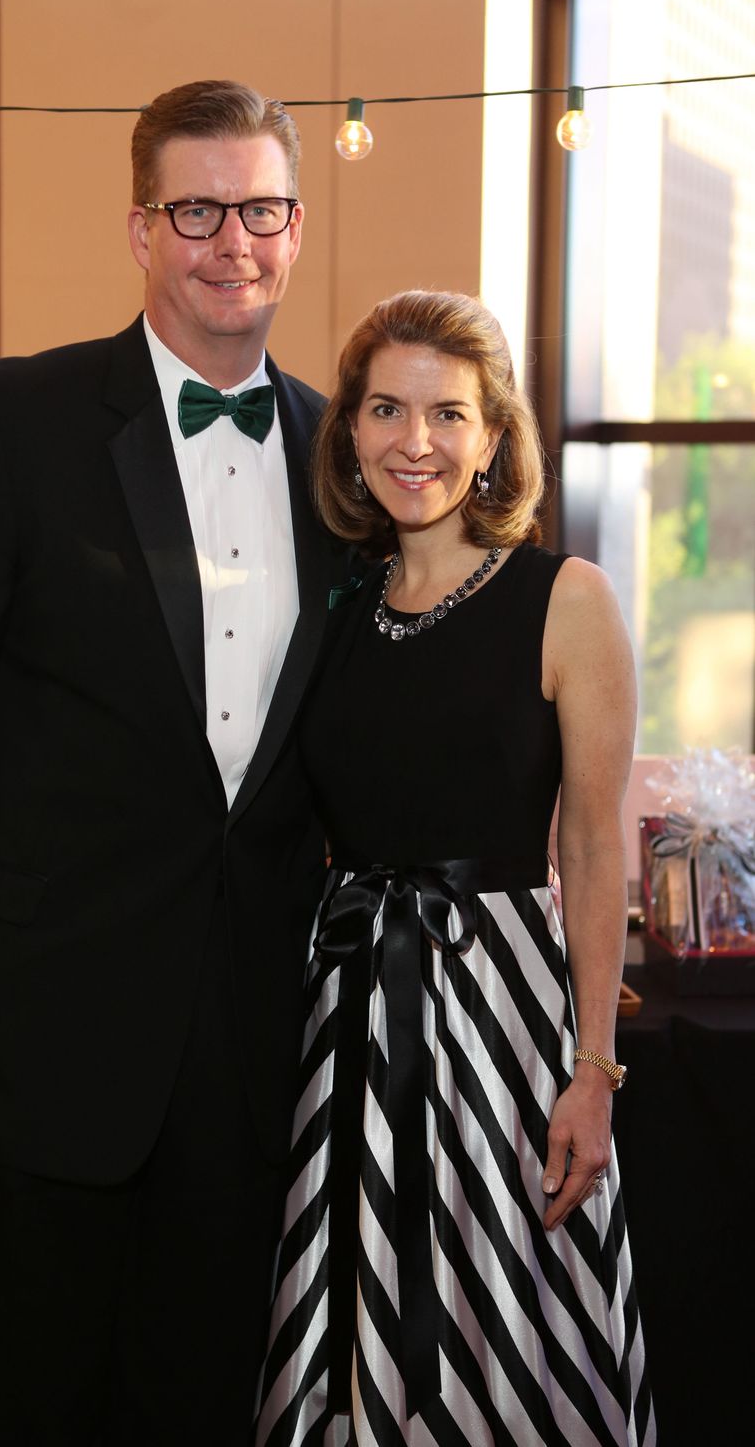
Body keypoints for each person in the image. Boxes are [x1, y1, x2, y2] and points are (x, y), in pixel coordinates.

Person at [0, 79, 348, 1445]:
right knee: (25, 1397)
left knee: (202, 1400)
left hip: (251, 1040)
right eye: (197, 211)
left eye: (260, 210)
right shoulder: (7, 419)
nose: (231, 242)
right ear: (140, 229)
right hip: (32, 1030)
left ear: (296, 228)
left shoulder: (342, 454)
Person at [255, 291, 655, 1446]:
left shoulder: (563, 598)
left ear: (491, 438)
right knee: (352, 1306)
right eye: (385, 408)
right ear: (349, 431)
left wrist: (593, 1069)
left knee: (510, 1318)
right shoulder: (331, 606)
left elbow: (590, 845)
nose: (413, 441)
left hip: (505, 1013)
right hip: (345, 1012)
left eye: (447, 414)